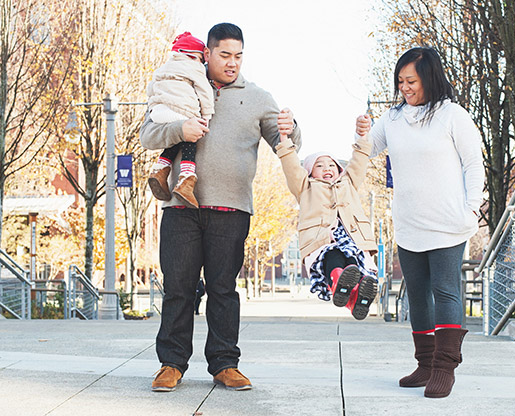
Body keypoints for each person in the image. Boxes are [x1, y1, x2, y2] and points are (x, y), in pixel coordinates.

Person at [140, 23, 301, 393]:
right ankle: (171, 363)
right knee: (178, 287)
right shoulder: (181, 87)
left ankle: (225, 363)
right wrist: (181, 128)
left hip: (231, 208)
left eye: (238, 55)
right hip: (181, 207)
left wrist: (293, 127)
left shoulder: (258, 97)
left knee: (223, 289)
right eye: (224, 55)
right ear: (207, 54)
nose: (232, 63)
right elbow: (149, 134)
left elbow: (282, 141)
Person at [356, 47, 484, 398]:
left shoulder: (452, 115)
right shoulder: (393, 119)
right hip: (409, 222)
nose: (404, 88)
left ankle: (445, 368)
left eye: (411, 80)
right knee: (416, 294)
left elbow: (474, 164)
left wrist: (472, 207)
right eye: (400, 81)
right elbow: (365, 152)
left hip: (447, 222)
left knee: (445, 291)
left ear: (429, 78)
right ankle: (425, 364)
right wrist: (361, 134)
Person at [276, 130, 378, 320]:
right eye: (319, 165)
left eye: (332, 164)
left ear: (339, 169)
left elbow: (358, 162)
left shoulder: (348, 182)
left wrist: (363, 137)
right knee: (333, 255)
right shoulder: (305, 187)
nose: (327, 168)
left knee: (352, 263)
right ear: (309, 172)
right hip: (322, 238)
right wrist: (284, 140)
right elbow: (290, 167)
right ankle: (339, 280)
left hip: (351, 236)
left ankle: (356, 297)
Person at [147, 32, 215, 208]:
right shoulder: (194, 67)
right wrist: (206, 116)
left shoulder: (164, 67)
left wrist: (153, 106)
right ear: (193, 55)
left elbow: (150, 88)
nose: (203, 63)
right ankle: (186, 180)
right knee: (190, 134)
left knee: (176, 134)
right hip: (181, 110)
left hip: (158, 111)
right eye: (201, 59)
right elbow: (205, 92)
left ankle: (160, 169)